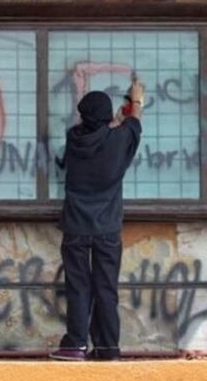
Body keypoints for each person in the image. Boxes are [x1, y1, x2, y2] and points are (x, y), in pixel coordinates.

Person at [50, 79, 144, 361]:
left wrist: (115, 122)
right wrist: (136, 100)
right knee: (106, 288)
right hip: (107, 229)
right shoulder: (119, 141)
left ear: (82, 117)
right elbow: (133, 123)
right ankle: (107, 348)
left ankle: (76, 344)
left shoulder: (74, 138)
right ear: (107, 118)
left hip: (76, 227)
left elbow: (104, 131)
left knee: (79, 286)